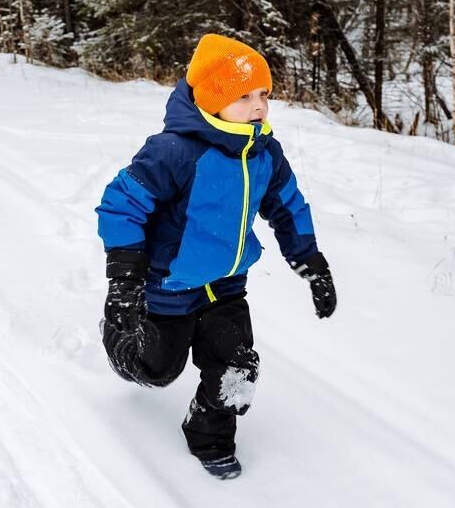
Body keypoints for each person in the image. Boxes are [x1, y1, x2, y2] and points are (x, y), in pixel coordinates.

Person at [95, 33, 337, 480]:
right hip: (168, 285)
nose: (259, 106)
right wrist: (125, 280)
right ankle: (119, 337)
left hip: (226, 285)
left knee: (238, 366)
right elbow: (121, 204)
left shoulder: (264, 151)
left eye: (263, 94)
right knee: (156, 371)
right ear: (211, 100)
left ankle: (210, 436)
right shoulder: (174, 151)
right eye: (244, 96)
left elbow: (288, 206)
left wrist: (311, 263)